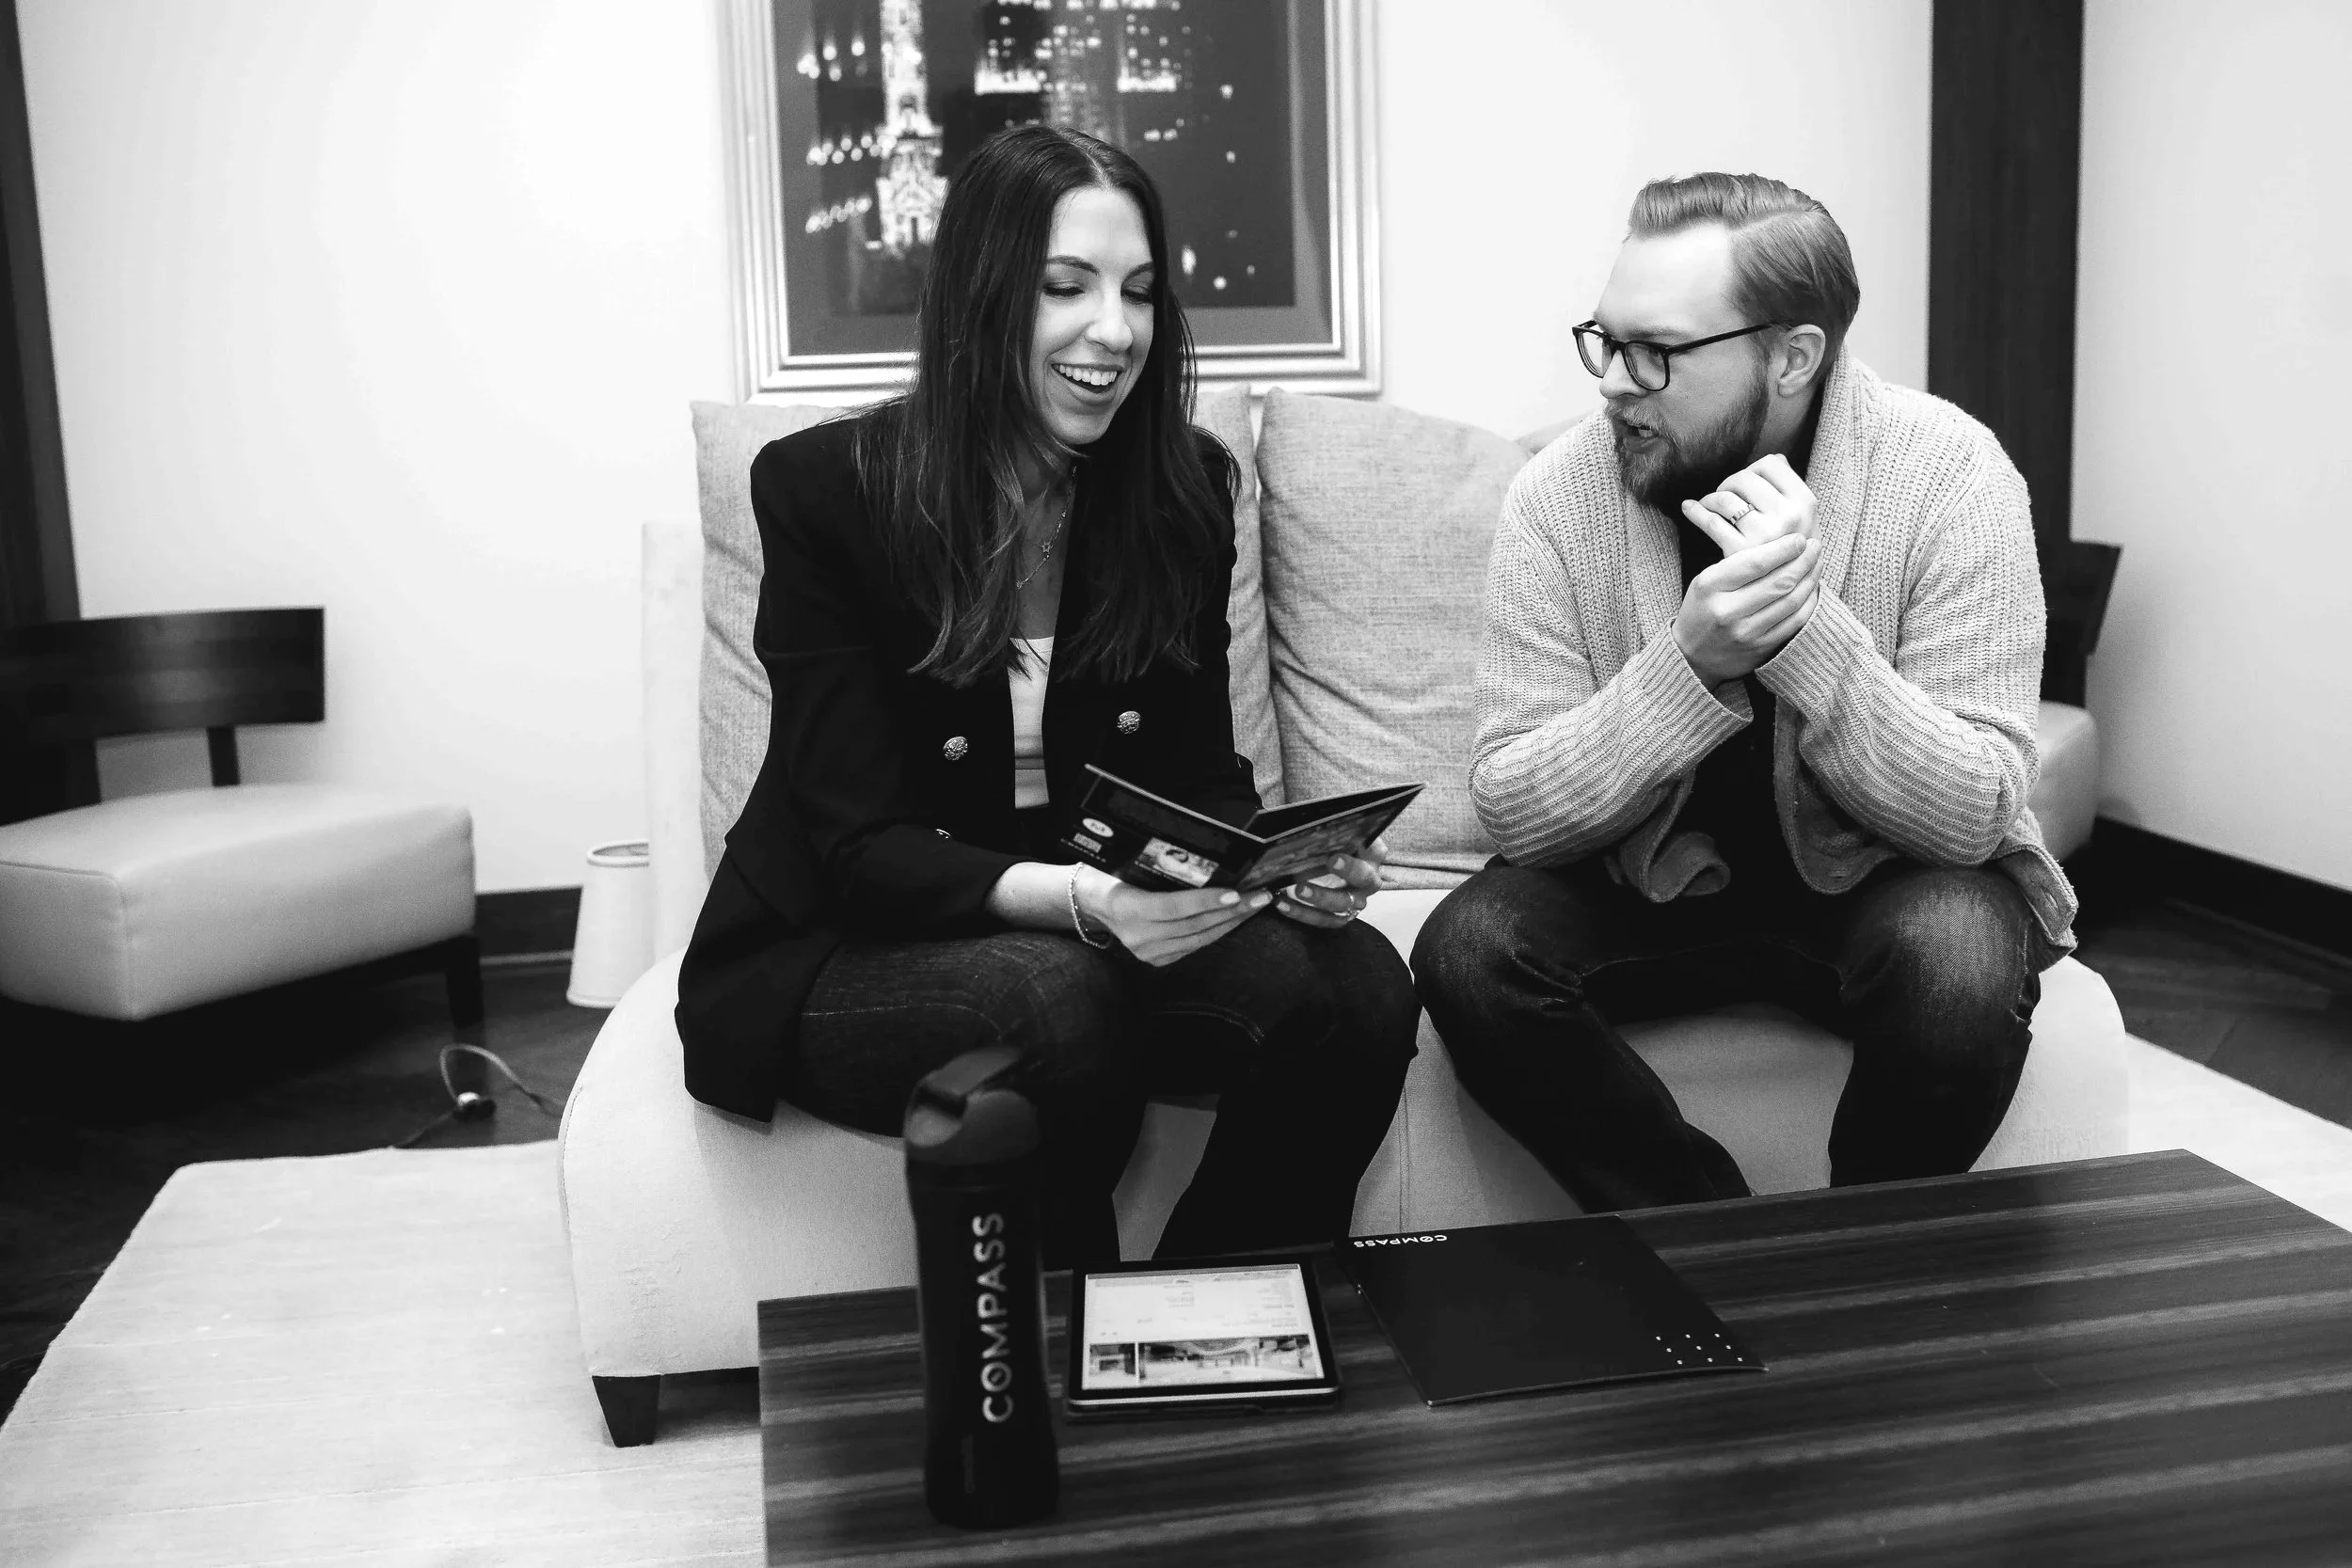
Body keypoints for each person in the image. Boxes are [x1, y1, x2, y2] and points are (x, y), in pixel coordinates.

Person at [675, 124, 1417, 1265]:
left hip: (1085, 917)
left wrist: (1272, 869)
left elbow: (1198, 774)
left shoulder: (1179, 494)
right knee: (1055, 992)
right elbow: (854, 846)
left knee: (1358, 984)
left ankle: (1212, 1313)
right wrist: (1081, 898)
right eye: (1063, 287)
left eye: (1138, 292)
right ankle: (1063, 1357)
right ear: (980, 295)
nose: (1111, 332)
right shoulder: (828, 492)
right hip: (849, 940)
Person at [1413, 172, 2075, 1212]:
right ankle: (1713, 1239)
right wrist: (1689, 666)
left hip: (1880, 886)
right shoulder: (1557, 495)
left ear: (1791, 355)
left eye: (1657, 353)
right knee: (1469, 948)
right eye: (1605, 339)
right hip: (1643, 887)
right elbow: (1513, 803)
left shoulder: (1951, 472)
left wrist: (1805, 630)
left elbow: (1978, 808)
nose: (1613, 383)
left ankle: (1857, 1251)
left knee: (1959, 955)